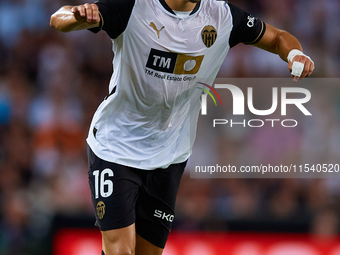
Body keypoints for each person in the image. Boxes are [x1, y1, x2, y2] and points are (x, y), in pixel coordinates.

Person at [50, 0, 315, 254]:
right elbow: (58, 20)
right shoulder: (133, 6)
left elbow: (278, 37)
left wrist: (295, 54)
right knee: (120, 250)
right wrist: (76, 17)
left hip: (170, 154)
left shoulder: (221, 16)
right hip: (114, 145)